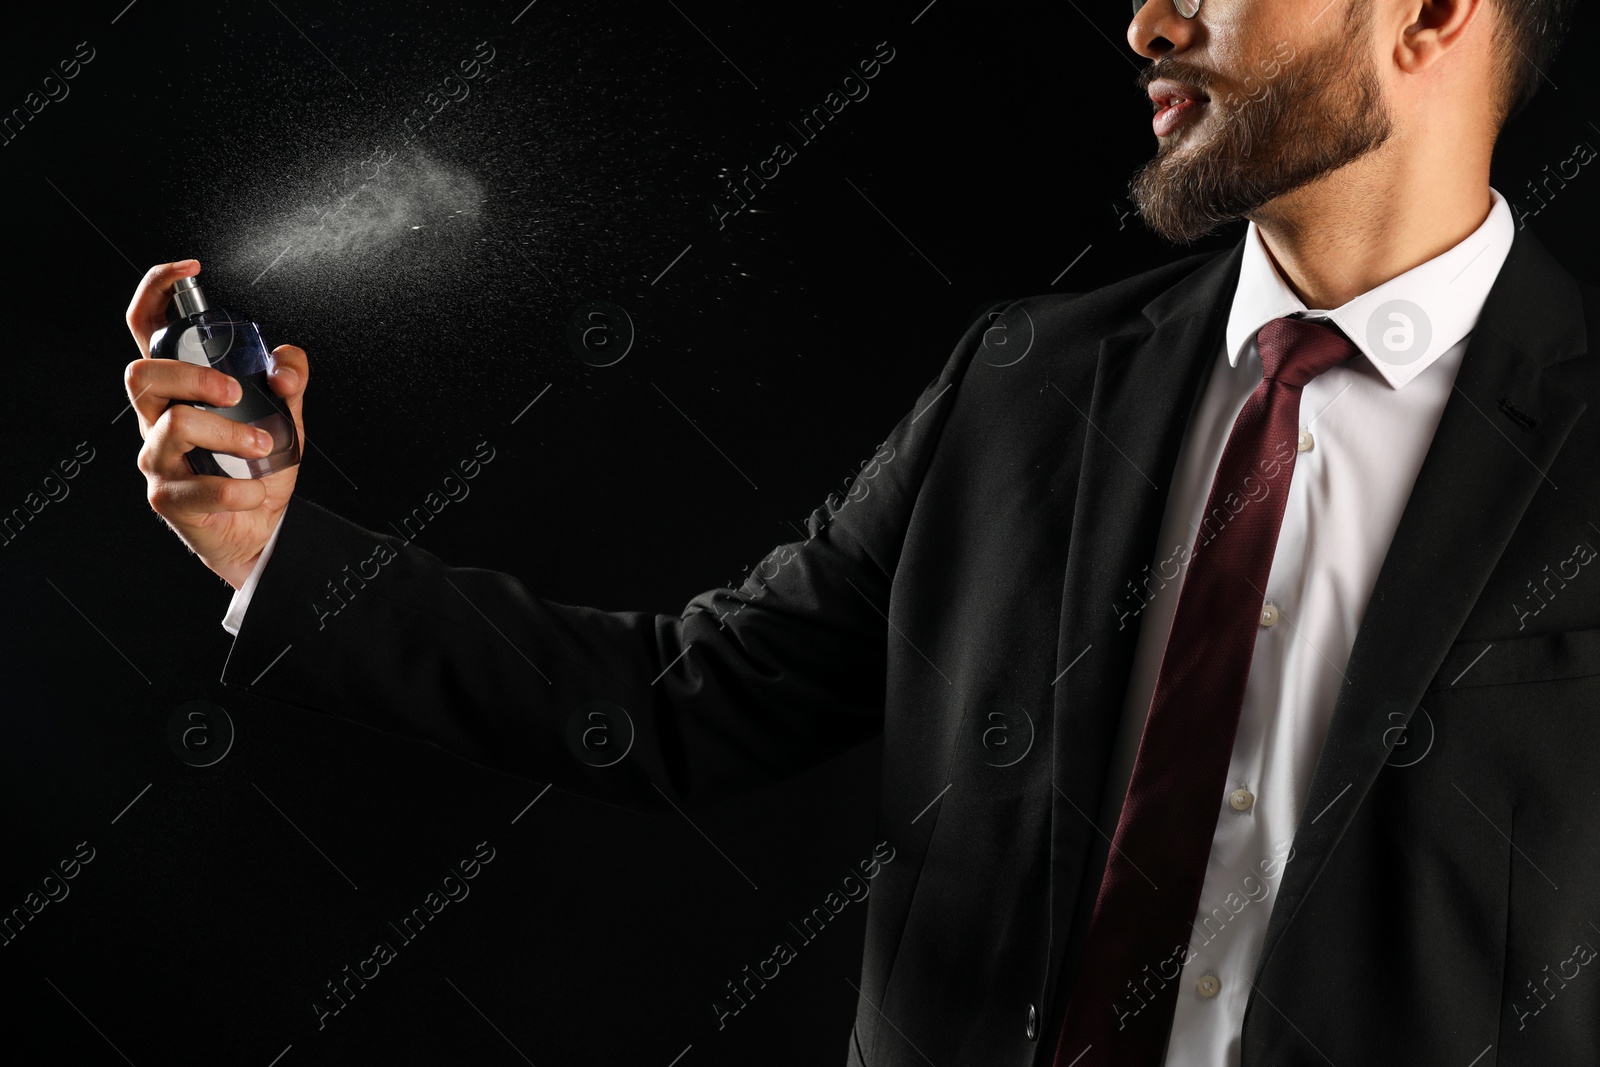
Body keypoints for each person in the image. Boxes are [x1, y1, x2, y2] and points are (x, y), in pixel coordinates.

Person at [124, 0, 1596, 1062]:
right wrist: (276, 542)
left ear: (1434, 12)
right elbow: (680, 705)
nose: (1146, 22)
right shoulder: (1025, 386)